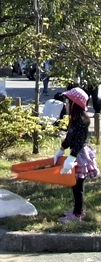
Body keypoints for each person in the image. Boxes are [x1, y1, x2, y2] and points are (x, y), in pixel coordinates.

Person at [53, 87, 99, 223]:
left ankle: (77, 214)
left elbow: (79, 142)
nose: (65, 105)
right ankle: (77, 210)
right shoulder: (74, 120)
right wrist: (61, 149)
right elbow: (70, 138)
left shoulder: (82, 122)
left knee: (78, 186)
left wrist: (71, 157)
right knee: (75, 185)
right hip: (74, 154)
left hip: (80, 156)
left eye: (68, 102)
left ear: (75, 105)